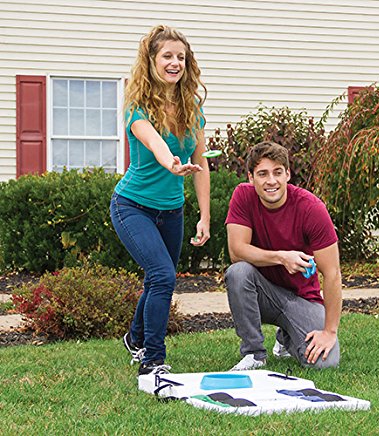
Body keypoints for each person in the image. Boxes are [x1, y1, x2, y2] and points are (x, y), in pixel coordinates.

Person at [110, 25, 210, 376]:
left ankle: (135, 337)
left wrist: (204, 216)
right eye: (167, 56)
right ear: (151, 60)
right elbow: (155, 143)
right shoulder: (137, 107)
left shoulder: (192, 109)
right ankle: (152, 359)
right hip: (132, 206)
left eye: (181, 57)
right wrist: (172, 163)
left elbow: (202, 165)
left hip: (172, 212)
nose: (175, 63)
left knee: (157, 280)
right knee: (163, 275)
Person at [225, 141, 342, 371]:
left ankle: (286, 336)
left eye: (277, 172)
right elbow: (237, 251)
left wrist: (329, 332)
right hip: (262, 293)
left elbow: (332, 273)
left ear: (287, 174)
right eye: (262, 174)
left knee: (324, 363)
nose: (271, 181)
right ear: (251, 178)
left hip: (302, 298)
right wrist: (282, 257)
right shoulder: (243, 196)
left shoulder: (311, 208)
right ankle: (254, 354)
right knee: (238, 273)